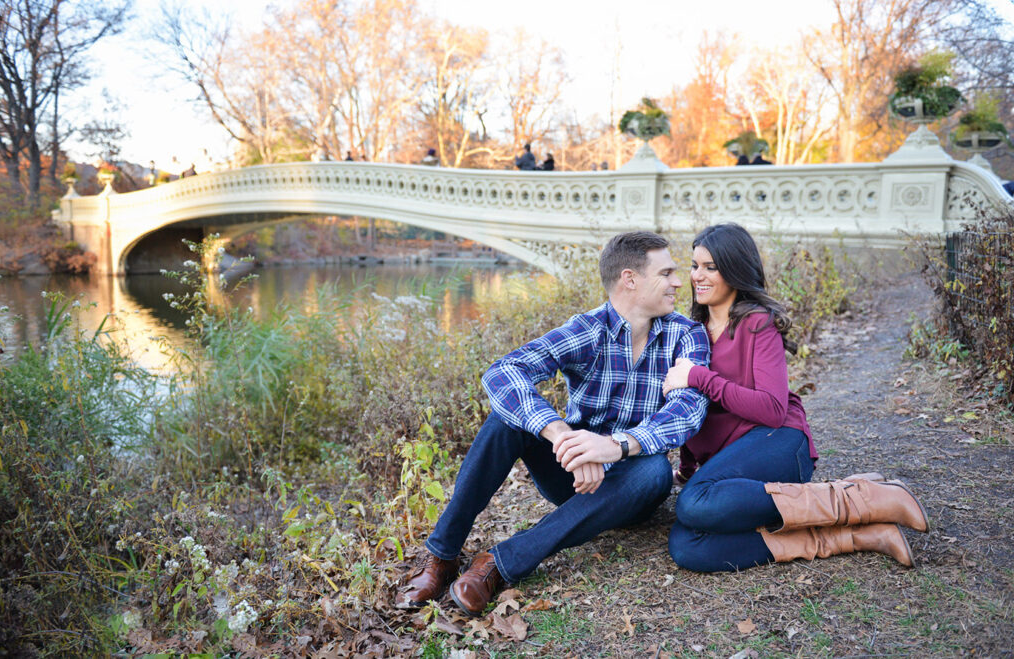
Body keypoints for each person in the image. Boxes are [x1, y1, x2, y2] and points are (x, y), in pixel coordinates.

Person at [395, 231, 711, 615]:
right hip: (574, 473)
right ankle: (442, 555)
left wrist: (613, 446)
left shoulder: (686, 334)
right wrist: (562, 434)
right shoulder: (588, 329)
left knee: (655, 471)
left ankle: (499, 562)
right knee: (506, 420)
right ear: (630, 279)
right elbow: (504, 371)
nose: (679, 282)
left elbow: (688, 410)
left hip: (632, 485)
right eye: (667, 273)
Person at [663, 223, 929, 573]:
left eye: (710, 267)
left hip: (778, 443)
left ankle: (858, 498)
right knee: (686, 546)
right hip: (733, 464)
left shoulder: (757, 323)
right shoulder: (689, 333)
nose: (698, 275)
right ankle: (859, 535)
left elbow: (772, 410)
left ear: (736, 270)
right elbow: (690, 411)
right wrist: (687, 467)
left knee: (693, 504)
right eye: (695, 265)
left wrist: (699, 377)